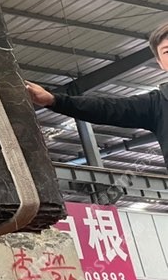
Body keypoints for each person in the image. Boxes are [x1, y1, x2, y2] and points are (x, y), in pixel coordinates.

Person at [25, 22, 168, 171]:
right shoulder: (156, 104)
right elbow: (106, 108)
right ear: (160, 62)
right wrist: (54, 100)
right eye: (167, 51)